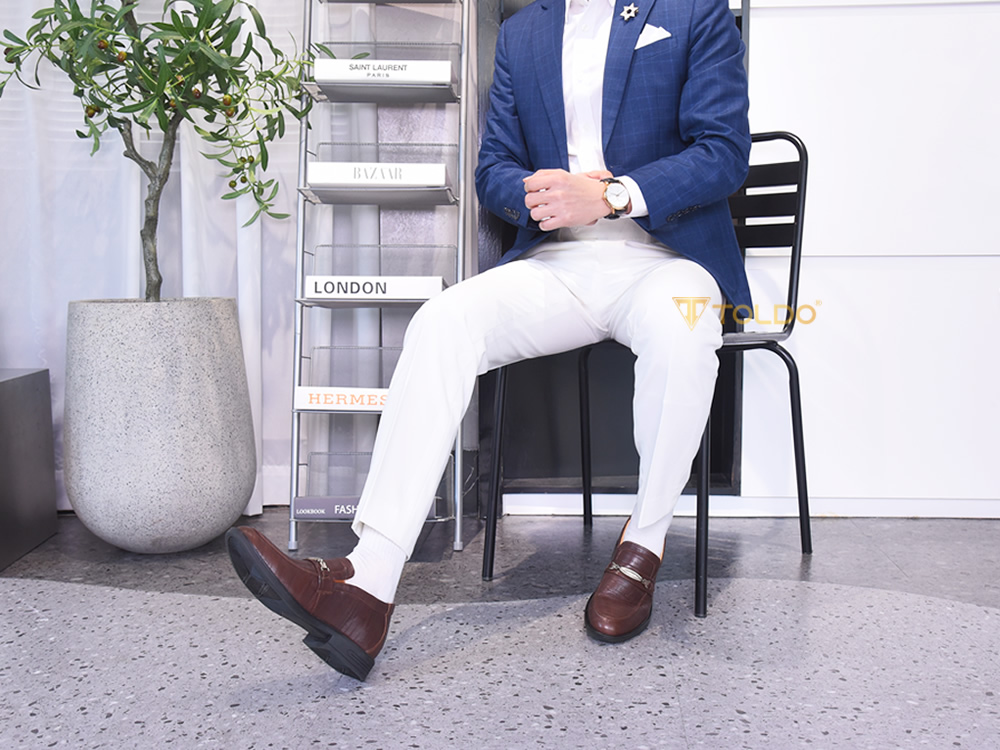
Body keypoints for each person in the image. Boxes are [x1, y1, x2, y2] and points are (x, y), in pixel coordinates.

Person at [226, 0, 750, 682]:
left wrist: (614, 195)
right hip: (560, 261)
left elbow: (723, 152)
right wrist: (538, 194)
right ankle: (367, 585)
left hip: (666, 259)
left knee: (683, 332)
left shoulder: (692, 9)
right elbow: (494, 166)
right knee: (442, 321)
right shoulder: (523, 32)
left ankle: (640, 549)